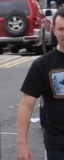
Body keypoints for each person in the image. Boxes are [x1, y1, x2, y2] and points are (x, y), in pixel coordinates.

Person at [16, 12, 64, 160]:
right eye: (61, 29)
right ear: (53, 29)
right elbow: (26, 105)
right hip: (58, 146)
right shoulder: (42, 65)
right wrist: (22, 144)